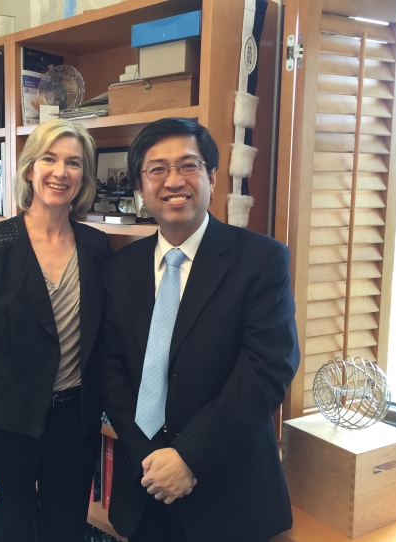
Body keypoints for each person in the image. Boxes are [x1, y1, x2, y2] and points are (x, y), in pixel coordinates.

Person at [99, 118, 300, 542]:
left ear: (211, 177)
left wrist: (188, 458)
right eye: (157, 169)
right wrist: (153, 458)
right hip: (147, 487)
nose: (174, 180)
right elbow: (110, 370)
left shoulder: (261, 261)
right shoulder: (121, 268)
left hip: (232, 494)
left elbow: (266, 372)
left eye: (188, 166)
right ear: (140, 187)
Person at [0, 119, 111, 541]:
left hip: (74, 424)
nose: (61, 172)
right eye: (50, 159)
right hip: (7, 426)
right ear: (29, 169)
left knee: (66, 533)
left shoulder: (96, 247)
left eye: (74, 163)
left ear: (84, 176)